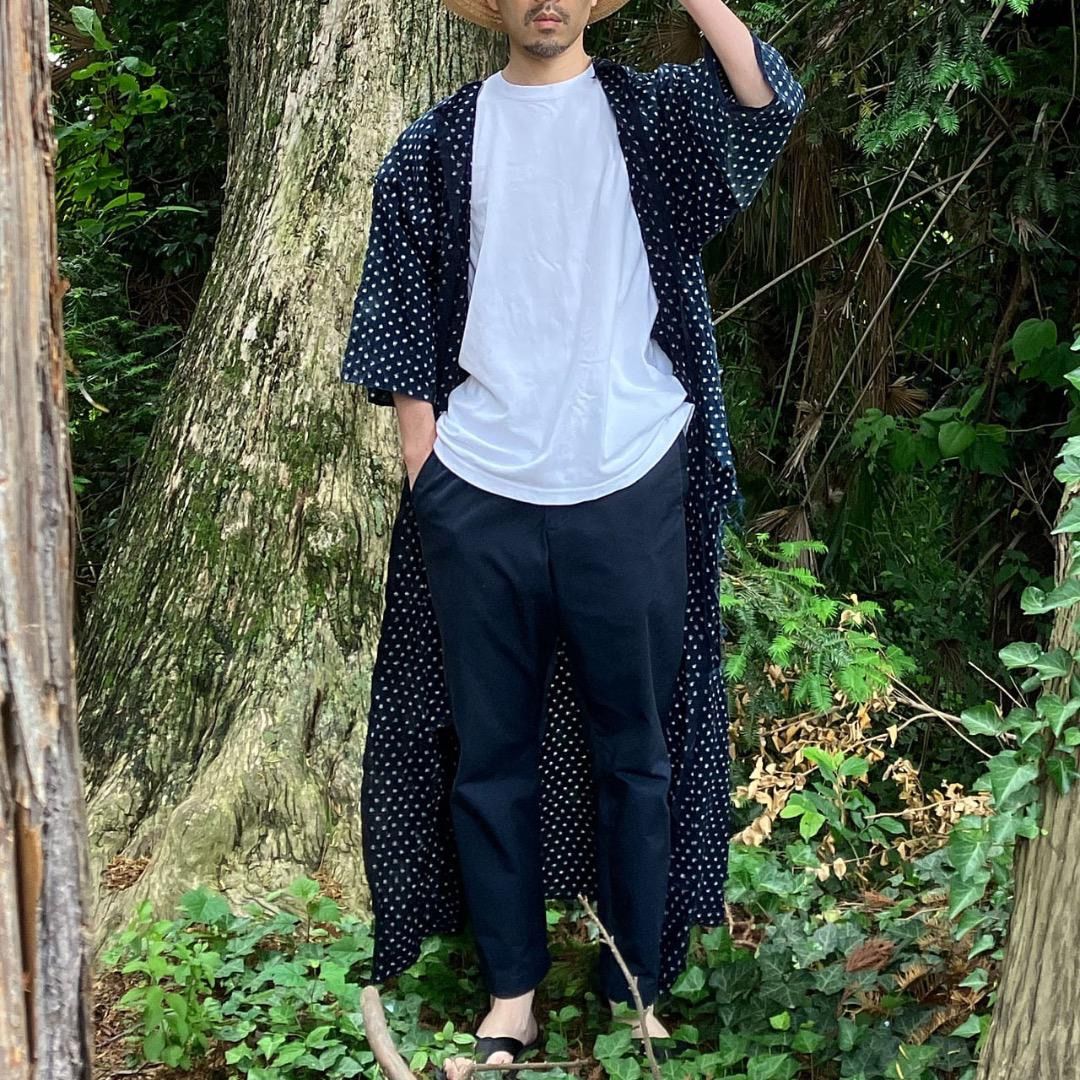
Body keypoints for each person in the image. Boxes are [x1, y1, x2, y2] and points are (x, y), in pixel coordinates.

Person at [340, 1, 806, 1076]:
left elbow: (764, 100)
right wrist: (427, 469)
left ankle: (635, 986)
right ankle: (512, 996)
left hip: (630, 474)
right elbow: (399, 309)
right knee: (488, 755)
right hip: (480, 491)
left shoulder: (652, 115)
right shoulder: (436, 144)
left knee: (636, 752)